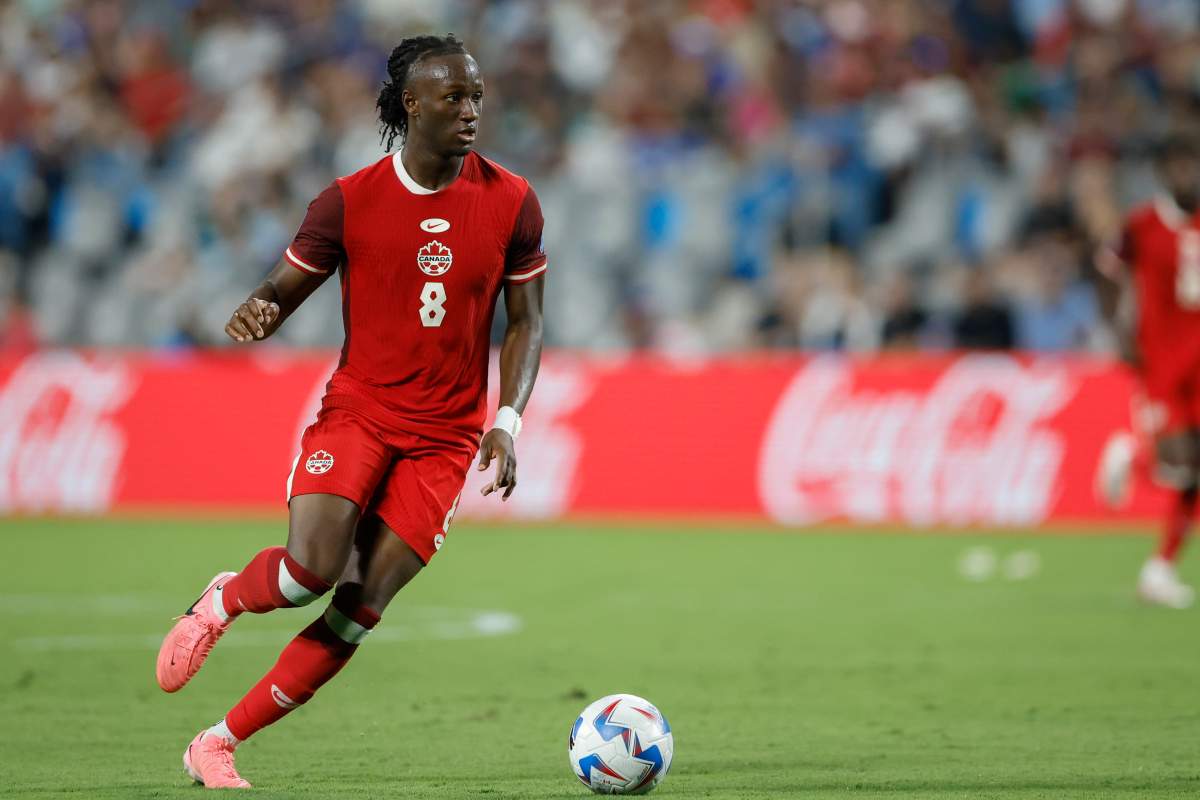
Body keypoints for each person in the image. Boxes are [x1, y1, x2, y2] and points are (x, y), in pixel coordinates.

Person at [154, 34, 547, 787]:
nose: (470, 112)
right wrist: (258, 311)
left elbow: (528, 320)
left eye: (476, 97)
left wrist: (507, 421)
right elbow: (281, 288)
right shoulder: (349, 200)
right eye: (453, 98)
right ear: (412, 105)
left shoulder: (513, 201)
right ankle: (224, 597)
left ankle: (218, 742)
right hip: (360, 413)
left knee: (358, 607)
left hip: (447, 437)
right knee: (309, 572)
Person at [1095, 134, 1200, 609]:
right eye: (1179, 166)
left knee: (1193, 470)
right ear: (1164, 172)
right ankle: (1135, 456)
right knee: (1180, 462)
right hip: (1161, 360)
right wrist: (1118, 333)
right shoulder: (1142, 226)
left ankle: (1159, 569)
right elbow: (1106, 271)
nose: (1189, 175)